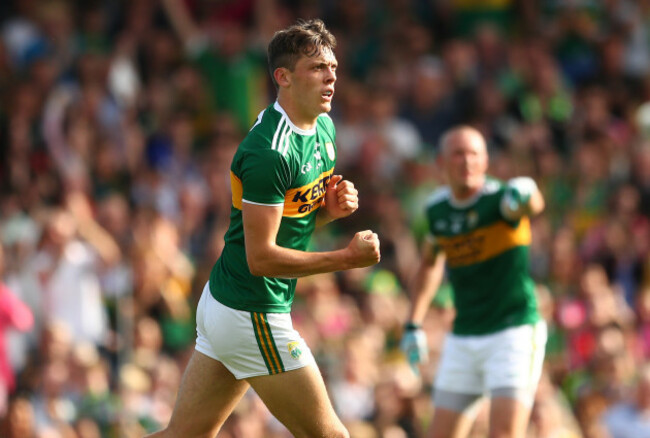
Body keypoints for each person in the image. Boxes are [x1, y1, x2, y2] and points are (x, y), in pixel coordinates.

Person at [147, 19, 380, 438]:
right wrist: (346, 259)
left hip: (228, 302)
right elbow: (261, 257)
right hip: (250, 309)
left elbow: (293, 222)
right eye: (316, 68)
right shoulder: (269, 153)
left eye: (333, 67)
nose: (330, 77)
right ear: (283, 77)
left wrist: (327, 211)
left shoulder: (323, 128)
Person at [400, 126, 547, 438]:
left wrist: (528, 189)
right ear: (441, 162)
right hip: (464, 335)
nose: (466, 161)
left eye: (474, 154)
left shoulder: (501, 201)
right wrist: (413, 323)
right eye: (458, 154)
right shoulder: (436, 209)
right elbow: (430, 263)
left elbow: (532, 205)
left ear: (485, 161)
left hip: (513, 332)